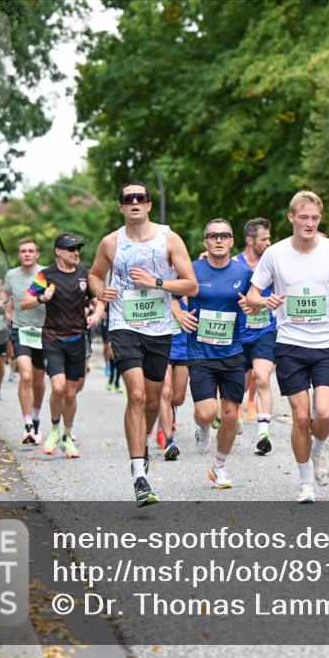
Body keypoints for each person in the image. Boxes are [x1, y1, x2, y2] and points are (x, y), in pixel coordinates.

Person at [243, 191, 329, 503]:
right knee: (301, 418)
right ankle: (305, 484)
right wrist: (265, 300)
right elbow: (252, 295)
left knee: (324, 415)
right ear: (291, 218)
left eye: (315, 218)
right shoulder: (275, 254)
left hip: (327, 346)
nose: (310, 223)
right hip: (290, 346)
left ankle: (318, 449)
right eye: (304, 217)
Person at [88, 181, 198, 507]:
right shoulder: (111, 242)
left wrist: (158, 282)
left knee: (152, 401)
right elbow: (95, 274)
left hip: (160, 328)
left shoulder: (169, 238)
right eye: (127, 199)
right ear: (121, 206)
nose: (134, 203)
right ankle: (139, 474)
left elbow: (191, 285)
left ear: (149, 205)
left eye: (140, 198)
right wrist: (99, 291)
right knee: (135, 394)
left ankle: (144, 446)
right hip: (123, 326)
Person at [182, 219, 253, 488]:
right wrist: (180, 314)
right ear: (206, 242)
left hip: (233, 352)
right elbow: (175, 297)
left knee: (231, 415)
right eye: (213, 236)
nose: (219, 240)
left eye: (224, 235)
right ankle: (202, 428)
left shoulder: (244, 273)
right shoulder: (192, 269)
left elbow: (256, 300)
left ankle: (219, 466)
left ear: (232, 241)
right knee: (206, 413)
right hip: (200, 351)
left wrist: (253, 306)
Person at [21, 233, 105, 459]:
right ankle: (54, 431)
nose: (76, 252)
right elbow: (24, 302)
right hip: (52, 339)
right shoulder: (45, 275)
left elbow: (100, 301)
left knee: (70, 393)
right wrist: (41, 298)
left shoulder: (84, 275)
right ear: (58, 251)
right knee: (57, 388)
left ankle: (67, 436)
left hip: (77, 339)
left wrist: (96, 315)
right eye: (70, 249)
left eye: (77, 249)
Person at [232, 218, 278, 456]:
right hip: (238, 334)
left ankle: (263, 434)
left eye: (269, 238)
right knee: (235, 384)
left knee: (262, 377)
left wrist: (262, 305)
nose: (269, 243)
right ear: (250, 241)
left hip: (264, 331)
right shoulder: (234, 265)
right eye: (264, 239)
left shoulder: (273, 263)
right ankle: (231, 414)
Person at [4, 238, 48, 444]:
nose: (27, 254)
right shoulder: (11, 275)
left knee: (39, 381)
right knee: (26, 376)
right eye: (23, 251)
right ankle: (28, 424)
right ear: (18, 254)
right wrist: (6, 309)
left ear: (37, 254)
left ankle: (37, 418)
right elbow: (7, 298)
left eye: (31, 251)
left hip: (43, 332)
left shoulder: (46, 274)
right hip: (20, 330)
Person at [157, 292, 193, 460]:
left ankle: (165, 419)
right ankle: (168, 439)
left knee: (178, 398)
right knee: (165, 392)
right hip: (161, 347)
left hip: (183, 348)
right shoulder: (160, 286)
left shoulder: (187, 288)